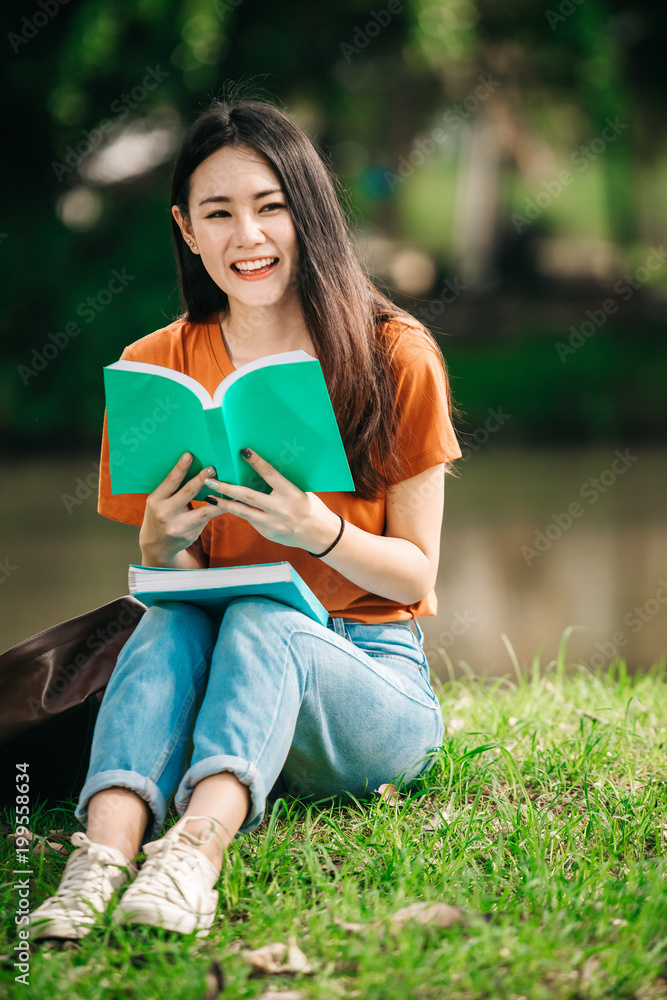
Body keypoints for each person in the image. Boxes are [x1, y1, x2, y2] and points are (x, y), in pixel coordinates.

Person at [29, 96, 463, 941]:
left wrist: (317, 531)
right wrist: (162, 541)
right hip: (222, 675)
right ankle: (101, 859)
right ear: (186, 231)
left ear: (306, 214)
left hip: (369, 679)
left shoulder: (394, 354)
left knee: (265, 611)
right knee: (168, 622)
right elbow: (176, 590)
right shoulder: (154, 368)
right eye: (218, 214)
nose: (247, 237)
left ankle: (193, 852)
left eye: (269, 207)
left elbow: (416, 576)